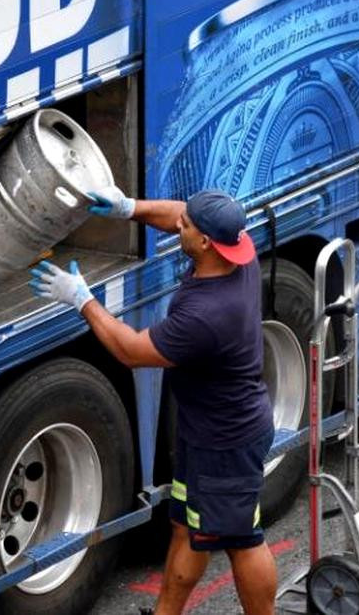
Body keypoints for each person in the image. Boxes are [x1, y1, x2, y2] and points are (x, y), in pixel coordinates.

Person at [29, 186, 276, 615]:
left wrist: (82, 300)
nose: (178, 223)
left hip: (227, 443)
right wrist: (129, 208)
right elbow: (183, 213)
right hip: (205, 435)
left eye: (187, 226)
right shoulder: (236, 250)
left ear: (205, 242)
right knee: (186, 526)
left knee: (242, 539)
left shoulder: (208, 315)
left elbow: (131, 351)